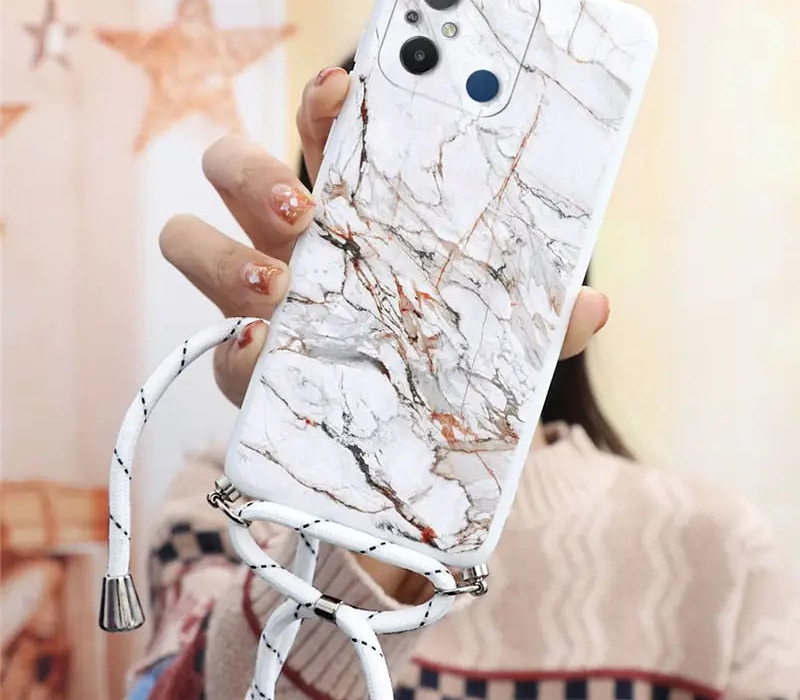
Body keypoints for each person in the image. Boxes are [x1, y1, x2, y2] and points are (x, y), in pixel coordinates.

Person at [130, 62, 799, 700]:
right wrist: (359, 496)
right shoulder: (224, 505)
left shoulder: (715, 549)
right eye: (389, 199)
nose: (437, 254)